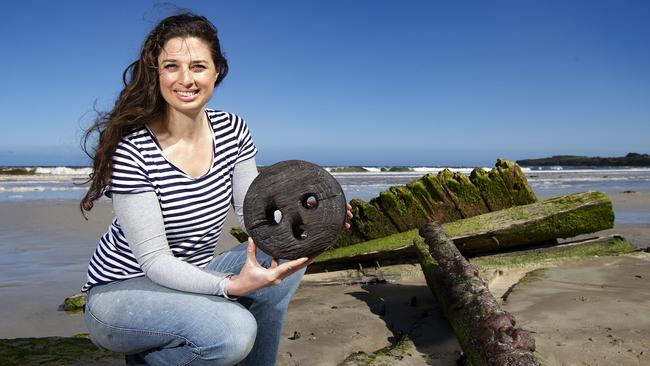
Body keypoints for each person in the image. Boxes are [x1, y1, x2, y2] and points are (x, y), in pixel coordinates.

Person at [79, 12, 352, 366]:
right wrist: (229, 285)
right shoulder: (134, 151)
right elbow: (155, 262)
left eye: (197, 66)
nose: (185, 79)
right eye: (171, 66)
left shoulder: (233, 130)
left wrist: (318, 222)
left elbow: (254, 212)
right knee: (232, 333)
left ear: (216, 71)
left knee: (287, 252)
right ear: (156, 73)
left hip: (194, 273)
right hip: (123, 293)